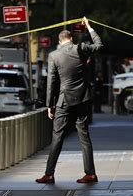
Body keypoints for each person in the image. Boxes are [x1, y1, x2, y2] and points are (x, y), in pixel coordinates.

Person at [36, 17, 103, 184]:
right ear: (71, 39)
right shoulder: (81, 48)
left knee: (57, 136)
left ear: (60, 41)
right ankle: (90, 173)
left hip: (64, 100)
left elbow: (52, 81)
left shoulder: (54, 56)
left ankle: (49, 174)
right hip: (82, 99)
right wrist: (89, 27)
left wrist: (49, 105)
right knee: (84, 137)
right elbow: (99, 45)